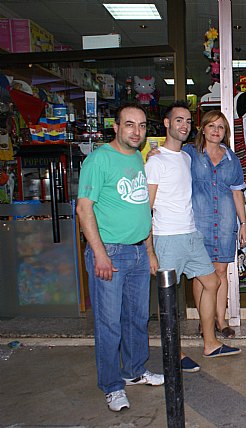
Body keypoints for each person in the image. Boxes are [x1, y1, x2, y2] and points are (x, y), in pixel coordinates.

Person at [76, 103, 164, 412]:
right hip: (110, 253)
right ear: (115, 127)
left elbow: (142, 208)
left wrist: (149, 251)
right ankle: (112, 386)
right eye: (129, 124)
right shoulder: (99, 159)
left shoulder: (139, 158)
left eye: (141, 125)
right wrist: (99, 254)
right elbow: (84, 208)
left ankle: (135, 370)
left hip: (138, 252)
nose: (137, 131)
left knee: (137, 319)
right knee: (109, 324)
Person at [145, 102, 241, 371]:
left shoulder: (187, 157)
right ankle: (173, 353)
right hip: (167, 237)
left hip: (191, 234)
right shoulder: (155, 161)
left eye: (188, 121)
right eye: (179, 120)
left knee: (211, 282)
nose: (184, 125)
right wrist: (149, 248)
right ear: (167, 123)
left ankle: (210, 343)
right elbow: (146, 208)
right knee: (169, 297)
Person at [183, 110, 246, 338]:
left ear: (225, 132)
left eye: (220, 127)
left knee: (221, 271)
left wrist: (243, 223)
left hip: (225, 223)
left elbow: (237, 193)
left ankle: (221, 320)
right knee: (201, 273)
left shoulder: (232, 159)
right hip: (197, 223)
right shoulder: (189, 153)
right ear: (203, 129)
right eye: (211, 125)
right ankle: (205, 322)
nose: (216, 130)